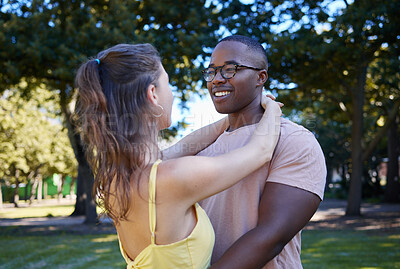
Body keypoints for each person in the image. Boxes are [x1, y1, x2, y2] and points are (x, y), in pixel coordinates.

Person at [74, 43, 282, 269]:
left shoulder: (118, 178)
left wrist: (233, 117)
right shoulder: (171, 178)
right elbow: (260, 152)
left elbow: (185, 146)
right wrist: (272, 108)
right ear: (153, 94)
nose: (172, 93)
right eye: (168, 83)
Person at [197, 35, 327, 269]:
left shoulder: (295, 141)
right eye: (211, 72)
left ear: (261, 77)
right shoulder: (202, 147)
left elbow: (271, 236)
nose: (216, 79)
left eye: (229, 69)